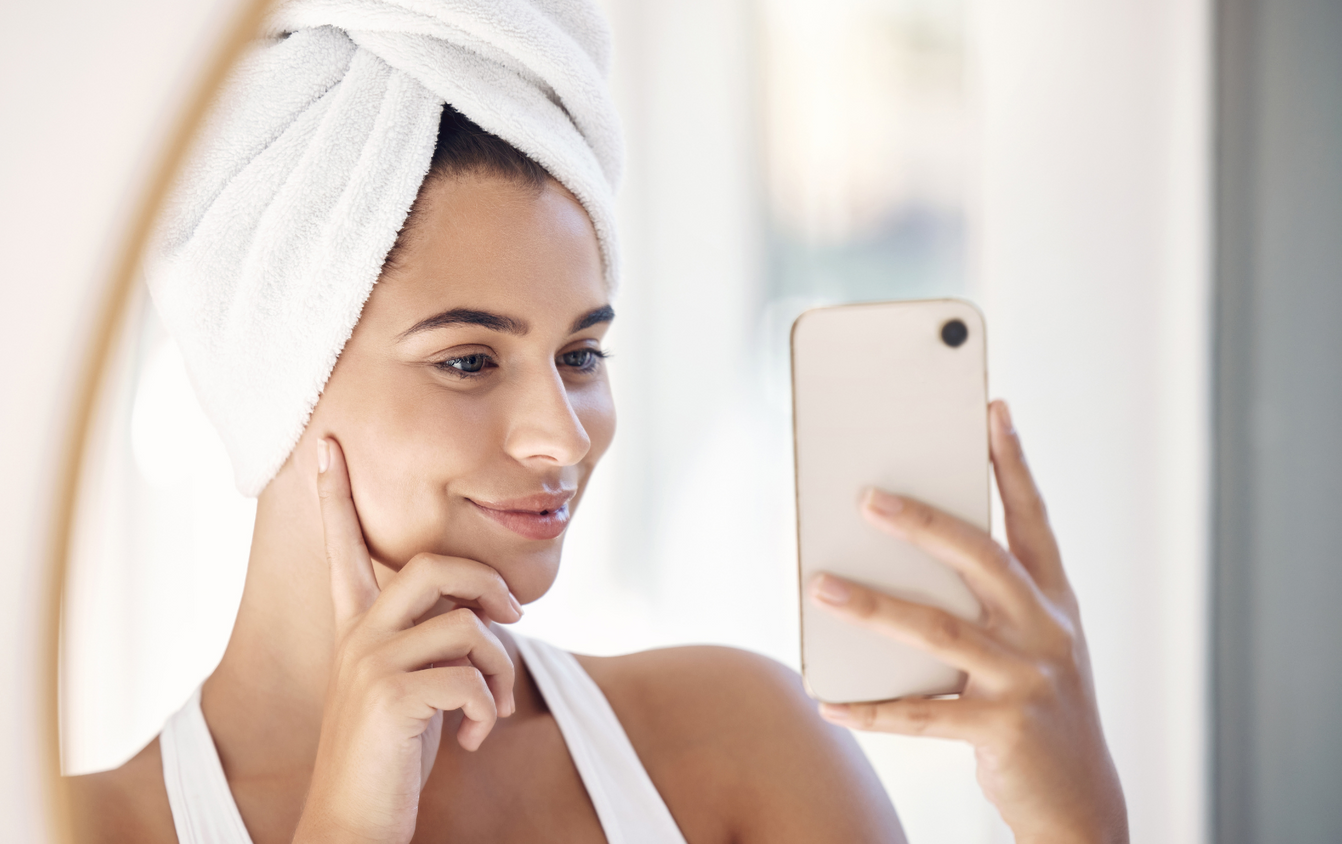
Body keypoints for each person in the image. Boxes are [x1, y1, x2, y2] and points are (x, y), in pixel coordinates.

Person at [68, 2, 1129, 842]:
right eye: (469, 359)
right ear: (275, 374)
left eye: (579, 354)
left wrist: (1074, 823)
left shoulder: (739, 748)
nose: (564, 437)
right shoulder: (77, 826)